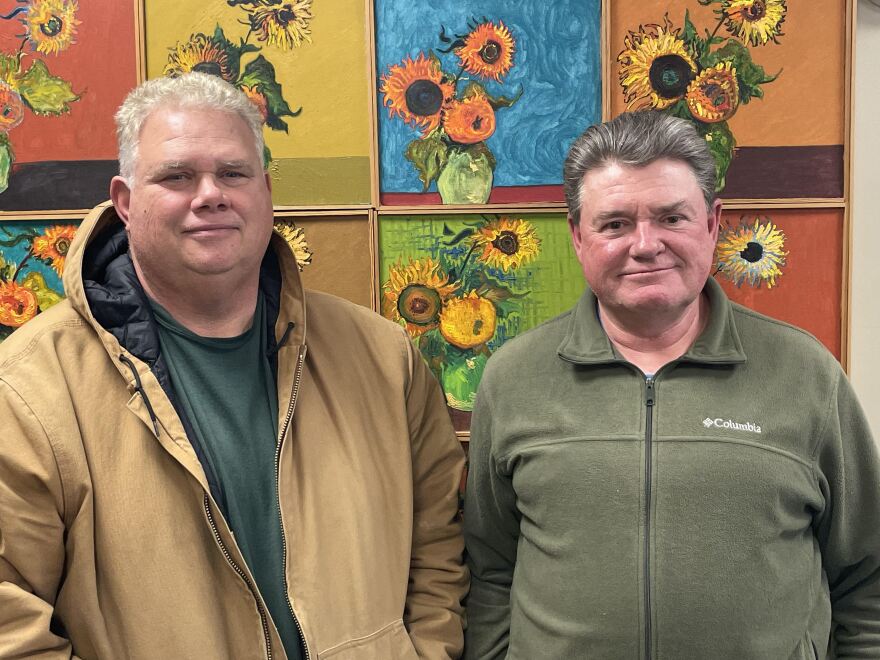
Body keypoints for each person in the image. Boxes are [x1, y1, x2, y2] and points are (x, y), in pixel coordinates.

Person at [0, 72, 467, 659]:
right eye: (176, 176)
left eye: (233, 173)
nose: (210, 194)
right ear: (123, 202)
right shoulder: (26, 390)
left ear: (265, 190)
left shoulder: (383, 357)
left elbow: (439, 549)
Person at [463, 111, 880, 659]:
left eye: (670, 218)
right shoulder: (513, 378)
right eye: (615, 223)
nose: (645, 244)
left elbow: (866, 578)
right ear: (577, 235)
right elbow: (491, 571)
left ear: (712, 224)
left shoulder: (806, 373)